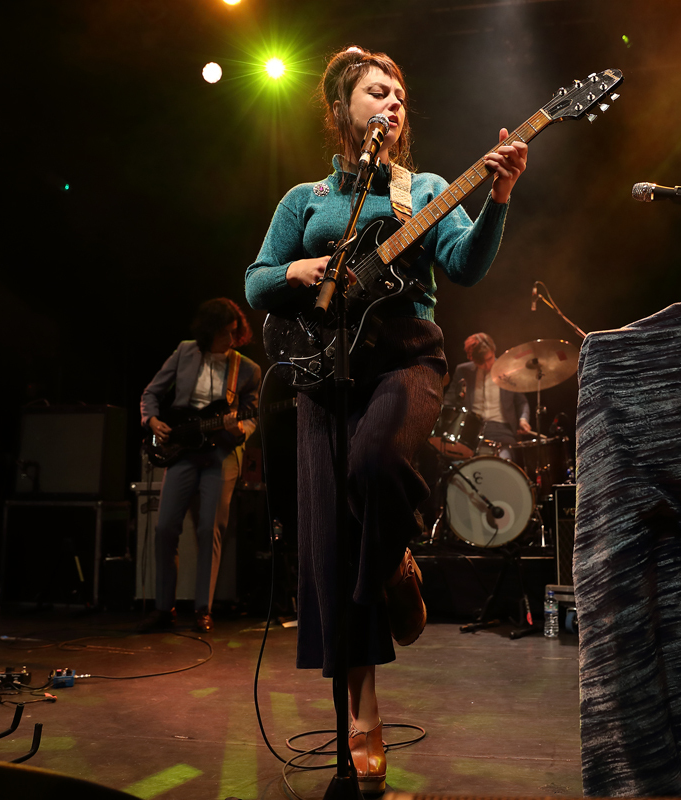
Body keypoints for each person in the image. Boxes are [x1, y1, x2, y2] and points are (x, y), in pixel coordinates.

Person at [244, 46, 527, 793]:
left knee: (376, 464)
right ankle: (363, 717)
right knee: (331, 553)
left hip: (406, 358)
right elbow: (257, 280)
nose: (394, 101)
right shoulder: (305, 198)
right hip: (323, 375)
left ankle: (397, 559)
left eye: (400, 92)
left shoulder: (426, 189)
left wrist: (496, 199)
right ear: (342, 109)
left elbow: (463, 265)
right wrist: (296, 273)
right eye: (377, 90)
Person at [139, 298, 260, 633]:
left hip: (220, 454)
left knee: (210, 530)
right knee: (164, 529)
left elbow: (252, 418)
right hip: (182, 451)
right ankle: (164, 608)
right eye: (224, 334)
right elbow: (151, 392)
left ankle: (203, 610)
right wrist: (151, 421)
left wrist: (238, 429)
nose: (231, 340)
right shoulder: (185, 352)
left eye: (235, 333)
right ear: (209, 332)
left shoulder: (247, 368)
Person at [444, 332, 531, 457]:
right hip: (470, 431)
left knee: (503, 464)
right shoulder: (463, 371)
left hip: (502, 430)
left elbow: (521, 401)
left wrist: (523, 419)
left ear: (493, 351)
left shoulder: (508, 371)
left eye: (489, 359)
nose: (488, 366)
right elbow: (449, 400)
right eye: (481, 363)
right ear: (472, 359)